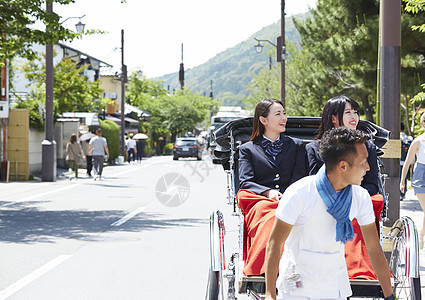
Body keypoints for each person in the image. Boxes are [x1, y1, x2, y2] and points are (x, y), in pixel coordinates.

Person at [265, 127, 393, 300]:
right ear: (343, 166)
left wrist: (389, 296)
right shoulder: (301, 192)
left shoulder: (360, 197)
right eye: (363, 161)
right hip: (297, 289)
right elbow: (274, 243)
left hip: (334, 288)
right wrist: (270, 294)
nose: (368, 167)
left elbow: (374, 249)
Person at [306, 95, 382, 281]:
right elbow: (312, 180)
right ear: (333, 118)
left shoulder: (368, 147)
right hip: (323, 200)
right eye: (348, 112)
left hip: (357, 198)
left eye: (355, 112)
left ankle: (357, 268)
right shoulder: (314, 147)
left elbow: (372, 183)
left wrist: (351, 194)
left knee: (365, 207)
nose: (354, 117)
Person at [237, 98, 307, 276]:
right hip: (261, 201)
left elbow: (300, 178)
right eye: (278, 114)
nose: (284, 117)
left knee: (285, 215)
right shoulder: (248, 149)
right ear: (263, 120)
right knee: (269, 216)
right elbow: (245, 181)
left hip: (291, 199)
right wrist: (268, 192)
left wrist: (288, 195)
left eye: (284, 113)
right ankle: (264, 268)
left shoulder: (297, 146)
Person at [400, 112, 425, 248]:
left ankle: (422, 233)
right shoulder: (418, 141)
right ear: (424, 123)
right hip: (421, 178)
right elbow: (407, 161)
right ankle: (421, 234)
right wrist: (402, 181)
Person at [400, 122, 413, 200]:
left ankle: (399, 192)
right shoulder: (409, 138)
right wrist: (412, 162)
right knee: (403, 177)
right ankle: (403, 193)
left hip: (397, 161)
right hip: (406, 161)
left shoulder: (396, 138)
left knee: (398, 177)